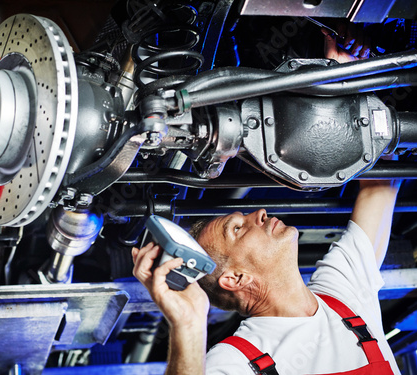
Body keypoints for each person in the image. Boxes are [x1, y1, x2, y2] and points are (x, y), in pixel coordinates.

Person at [131, 28, 402, 375]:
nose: (260, 212)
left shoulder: (340, 291)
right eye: (238, 228)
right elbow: (384, 181)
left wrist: (342, 85)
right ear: (235, 278)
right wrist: (188, 325)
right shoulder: (237, 360)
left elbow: (380, 184)